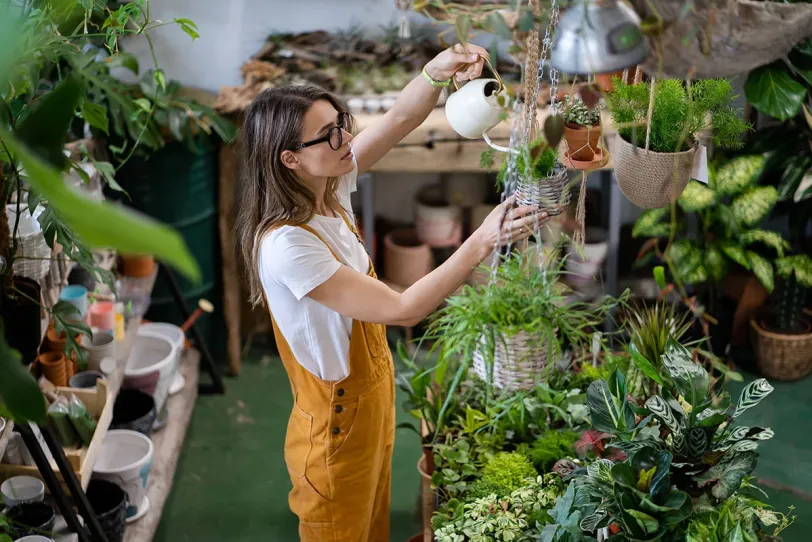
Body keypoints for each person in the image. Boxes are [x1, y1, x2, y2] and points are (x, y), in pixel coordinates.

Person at [235, 43, 549, 541]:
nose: (345, 138)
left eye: (342, 122)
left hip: (373, 397)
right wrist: (483, 239)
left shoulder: (326, 188)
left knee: (372, 527)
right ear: (290, 158)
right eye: (329, 134)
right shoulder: (287, 245)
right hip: (336, 425)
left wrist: (437, 71)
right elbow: (403, 309)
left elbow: (402, 117)